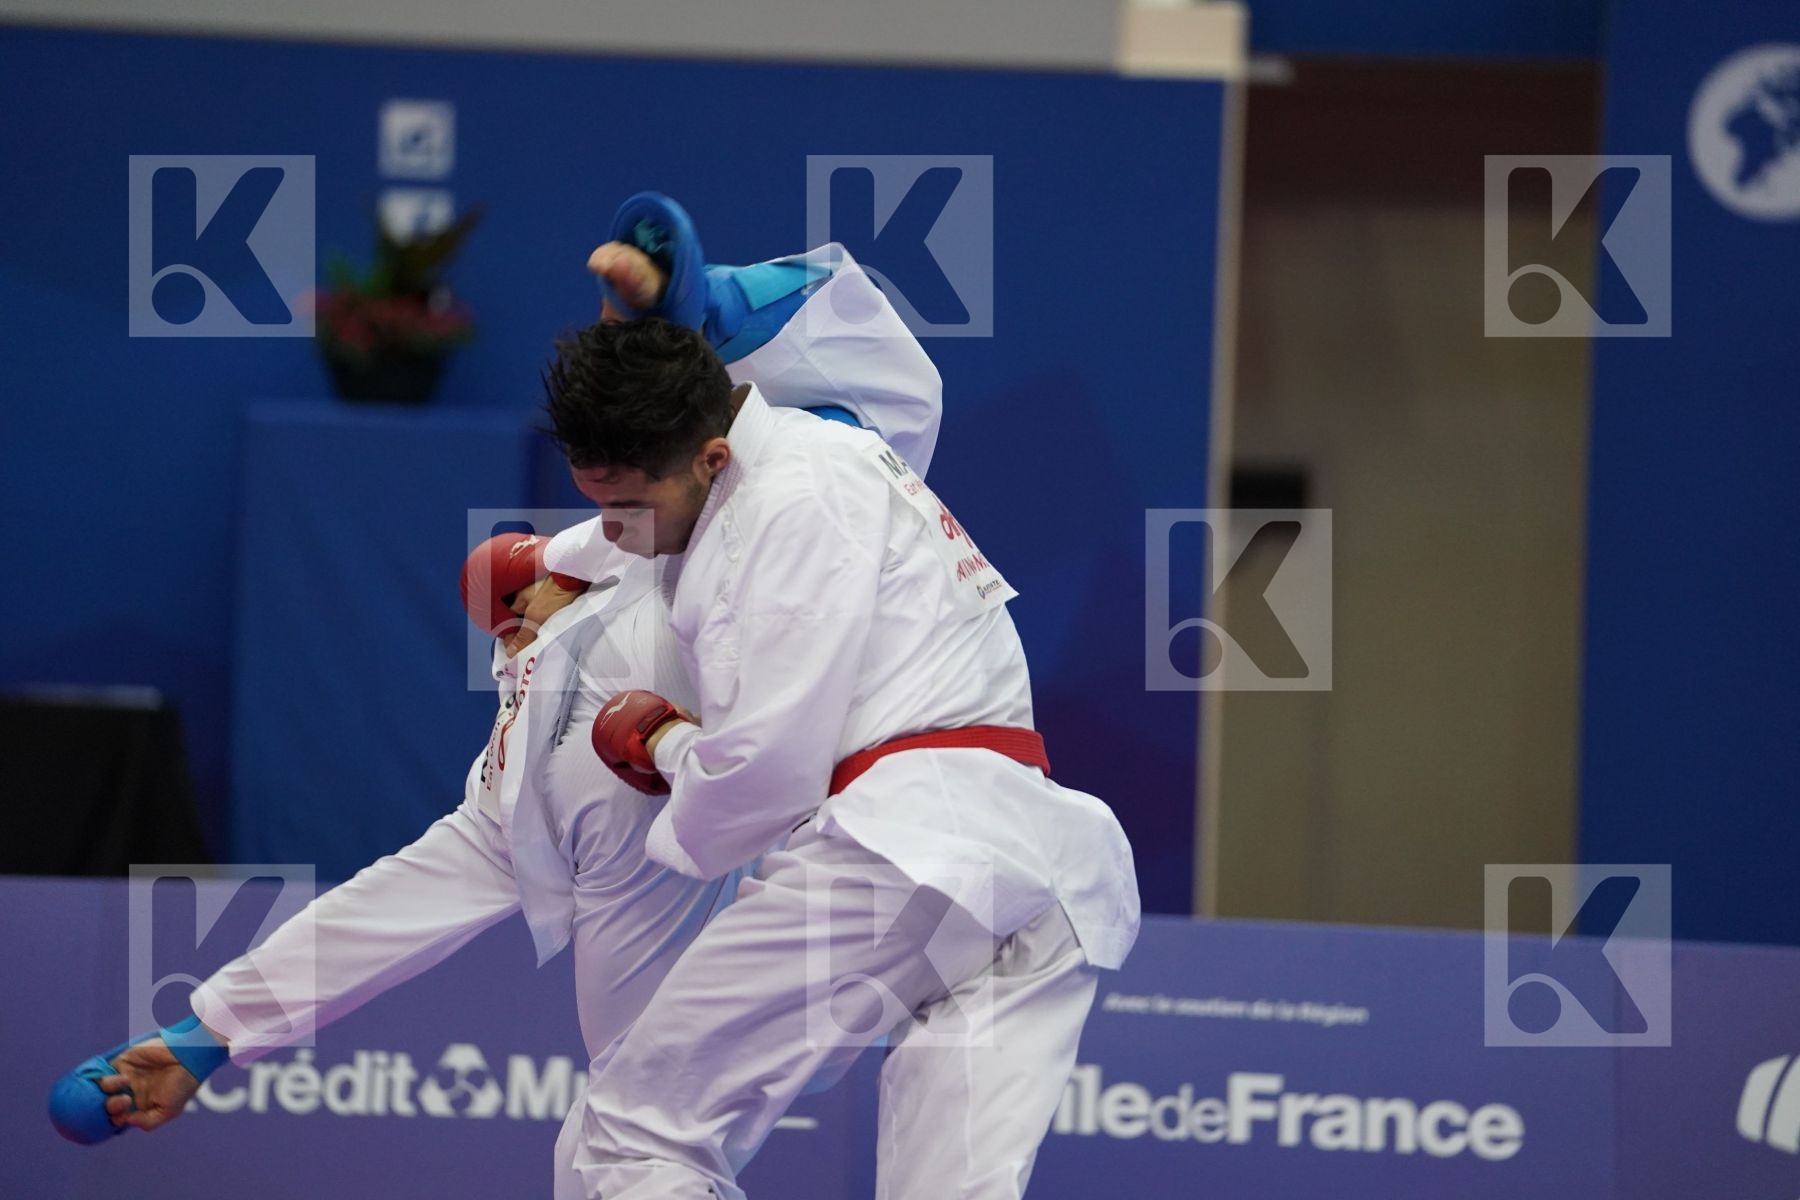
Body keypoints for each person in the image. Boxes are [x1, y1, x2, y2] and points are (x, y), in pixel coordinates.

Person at [48, 196, 942, 1200]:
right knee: (618, 1153)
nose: (512, 607)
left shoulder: (731, 537)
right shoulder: (556, 692)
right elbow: (400, 900)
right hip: (708, 897)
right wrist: (210, 1031)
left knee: (628, 1153)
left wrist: (697, 303)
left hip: (834, 889)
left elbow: (869, 405)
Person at [543, 308, 1141, 1199]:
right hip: (1044, 870)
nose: (617, 529)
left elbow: (765, 777)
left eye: (627, 505)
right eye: (596, 504)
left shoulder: (778, 512)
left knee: (631, 1134)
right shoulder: (828, 447)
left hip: (908, 850)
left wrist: (664, 742)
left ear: (710, 459)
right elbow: (878, 355)